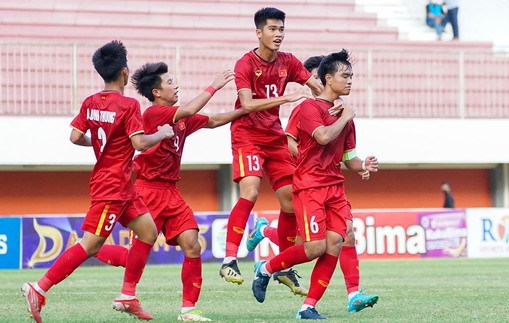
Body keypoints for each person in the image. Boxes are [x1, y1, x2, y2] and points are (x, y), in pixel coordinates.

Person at [21, 40, 175, 322]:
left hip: (122, 186)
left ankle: (127, 295)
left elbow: (75, 137)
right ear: (125, 73)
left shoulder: (90, 102)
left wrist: (104, 145)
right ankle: (38, 288)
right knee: (90, 245)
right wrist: (163, 133)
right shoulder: (129, 105)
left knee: (149, 233)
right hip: (112, 186)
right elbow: (140, 143)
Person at [91, 61, 241, 321]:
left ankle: (188, 310)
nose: (176, 85)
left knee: (192, 244)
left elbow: (214, 120)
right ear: (157, 92)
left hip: (171, 192)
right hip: (147, 190)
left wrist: (246, 110)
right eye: (170, 82)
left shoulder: (179, 118)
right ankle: (92, 249)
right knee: (135, 256)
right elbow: (193, 107)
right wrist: (214, 86)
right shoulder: (152, 115)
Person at [251, 49, 379, 319]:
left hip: (335, 188)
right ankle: (265, 268)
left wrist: (363, 166)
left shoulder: (345, 115)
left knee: (338, 240)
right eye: (345, 76)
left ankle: (308, 306)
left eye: (352, 76)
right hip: (309, 187)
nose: (350, 81)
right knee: (313, 248)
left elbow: (349, 157)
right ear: (328, 78)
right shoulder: (309, 108)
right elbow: (321, 137)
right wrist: (345, 116)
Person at [220, 6, 326, 293]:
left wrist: (330, 101)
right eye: (272, 29)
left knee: (291, 201)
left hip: (274, 137)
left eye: (281, 29)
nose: (278, 34)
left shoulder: (288, 61)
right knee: (251, 191)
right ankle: (230, 258)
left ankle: (282, 266)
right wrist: (286, 98)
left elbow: (314, 84)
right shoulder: (245, 64)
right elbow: (247, 104)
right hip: (247, 134)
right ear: (258, 32)